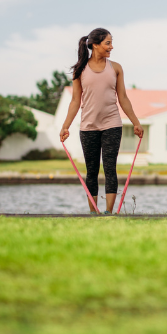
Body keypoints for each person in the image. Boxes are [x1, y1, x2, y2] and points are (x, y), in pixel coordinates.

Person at [60, 28, 144, 214]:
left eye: (111, 43)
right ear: (95, 45)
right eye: (108, 43)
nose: (111, 47)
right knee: (92, 170)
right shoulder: (80, 70)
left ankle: (108, 213)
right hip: (88, 127)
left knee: (109, 168)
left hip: (112, 124)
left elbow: (123, 98)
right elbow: (75, 101)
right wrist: (65, 126)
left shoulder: (116, 68)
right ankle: (93, 212)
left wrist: (136, 122)